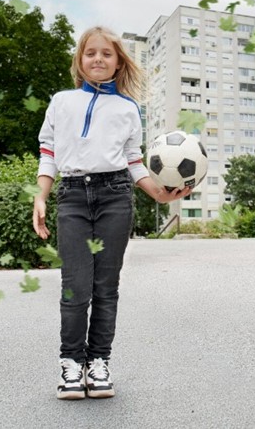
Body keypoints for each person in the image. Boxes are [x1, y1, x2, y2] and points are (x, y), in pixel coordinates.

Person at [32, 26, 189, 400]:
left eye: (106, 54)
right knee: (75, 286)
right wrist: (42, 195)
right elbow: (48, 151)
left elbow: (134, 161)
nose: (98, 59)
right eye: (91, 53)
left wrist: (159, 194)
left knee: (106, 288)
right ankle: (71, 364)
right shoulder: (61, 101)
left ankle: (99, 362)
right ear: (80, 60)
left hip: (116, 196)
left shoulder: (128, 108)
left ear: (119, 62)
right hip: (71, 197)